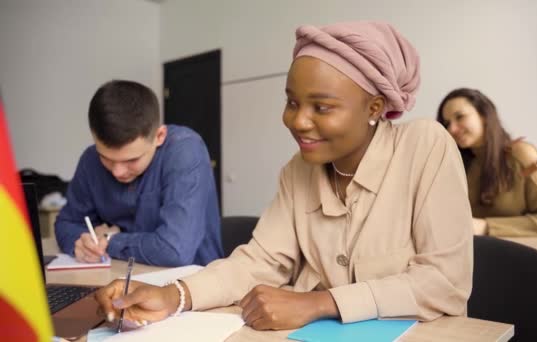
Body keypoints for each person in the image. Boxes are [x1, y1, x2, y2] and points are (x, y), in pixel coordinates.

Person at [95, 22, 473, 331]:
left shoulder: (425, 145)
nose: (298, 121)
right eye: (292, 102)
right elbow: (258, 262)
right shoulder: (298, 168)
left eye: (321, 107)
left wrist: (320, 303)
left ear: (374, 107)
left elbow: (444, 283)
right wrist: (174, 295)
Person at [54, 80, 223, 266]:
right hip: (121, 277)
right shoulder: (90, 159)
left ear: (159, 136)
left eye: (131, 160)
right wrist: (81, 243)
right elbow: (66, 224)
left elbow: (174, 251)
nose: (118, 171)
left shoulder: (185, 151)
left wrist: (109, 240)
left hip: (192, 282)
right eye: (106, 158)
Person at [437, 88, 537, 236]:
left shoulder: (523, 156)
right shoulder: (454, 164)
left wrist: (486, 227)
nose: (451, 129)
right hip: (467, 253)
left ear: (484, 115)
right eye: (447, 123)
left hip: (517, 254)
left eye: (460, 117)